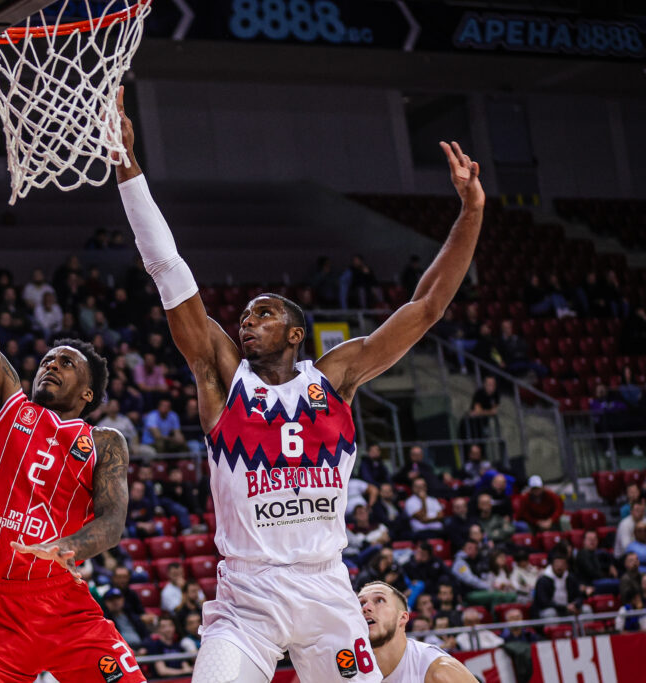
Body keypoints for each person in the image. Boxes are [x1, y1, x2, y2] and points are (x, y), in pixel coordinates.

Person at [117, 89, 484, 681]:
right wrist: (128, 169)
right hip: (247, 597)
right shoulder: (222, 375)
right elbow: (168, 271)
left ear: (295, 334)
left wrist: (470, 214)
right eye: (245, 317)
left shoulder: (336, 377)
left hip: (326, 591)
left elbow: (427, 305)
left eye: (263, 315)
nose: (246, 322)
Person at [0, 128, 143, 682]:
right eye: (48, 357)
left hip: (65, 605)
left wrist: (65, 547)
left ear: (88, 393)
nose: (51, 363)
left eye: (67, 362)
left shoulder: (104, 442)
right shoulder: (2, 400)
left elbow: (113, 521)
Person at [358, 582, 476, 682]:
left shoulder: (438, 670)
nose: (366, 607)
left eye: (379, 600)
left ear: (402, 618)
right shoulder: (346, 667)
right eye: (361, 603)